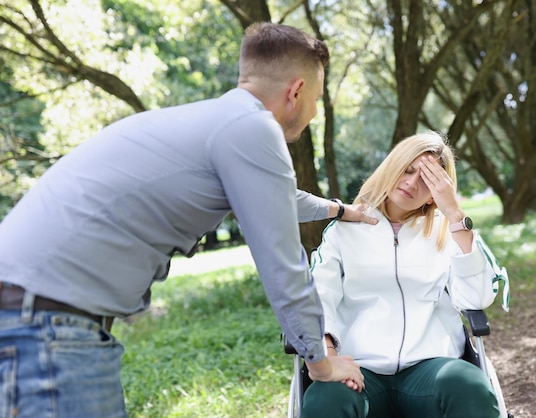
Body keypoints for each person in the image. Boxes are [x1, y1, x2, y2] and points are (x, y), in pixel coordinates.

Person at [0, 23, 373, 417]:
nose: (314, 113)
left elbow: (277, 199)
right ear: (296, 91)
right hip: (43, 325)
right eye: (316, 99)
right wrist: (320, 361)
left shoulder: (220, 122)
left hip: (33, 313)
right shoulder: (253, 128)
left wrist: (341, 210)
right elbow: (285, 267)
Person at [301, 131, 509, 418]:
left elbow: (477, 299)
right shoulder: (344, 230)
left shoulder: (448, 231)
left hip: (431, 368)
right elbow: (318, 296)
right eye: (407, 170)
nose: (412, 183)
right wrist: (329, 354)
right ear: (392, 166)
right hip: (360, 371)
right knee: (327, 399)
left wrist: (455, 215)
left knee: (467, 384)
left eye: (427, 179)